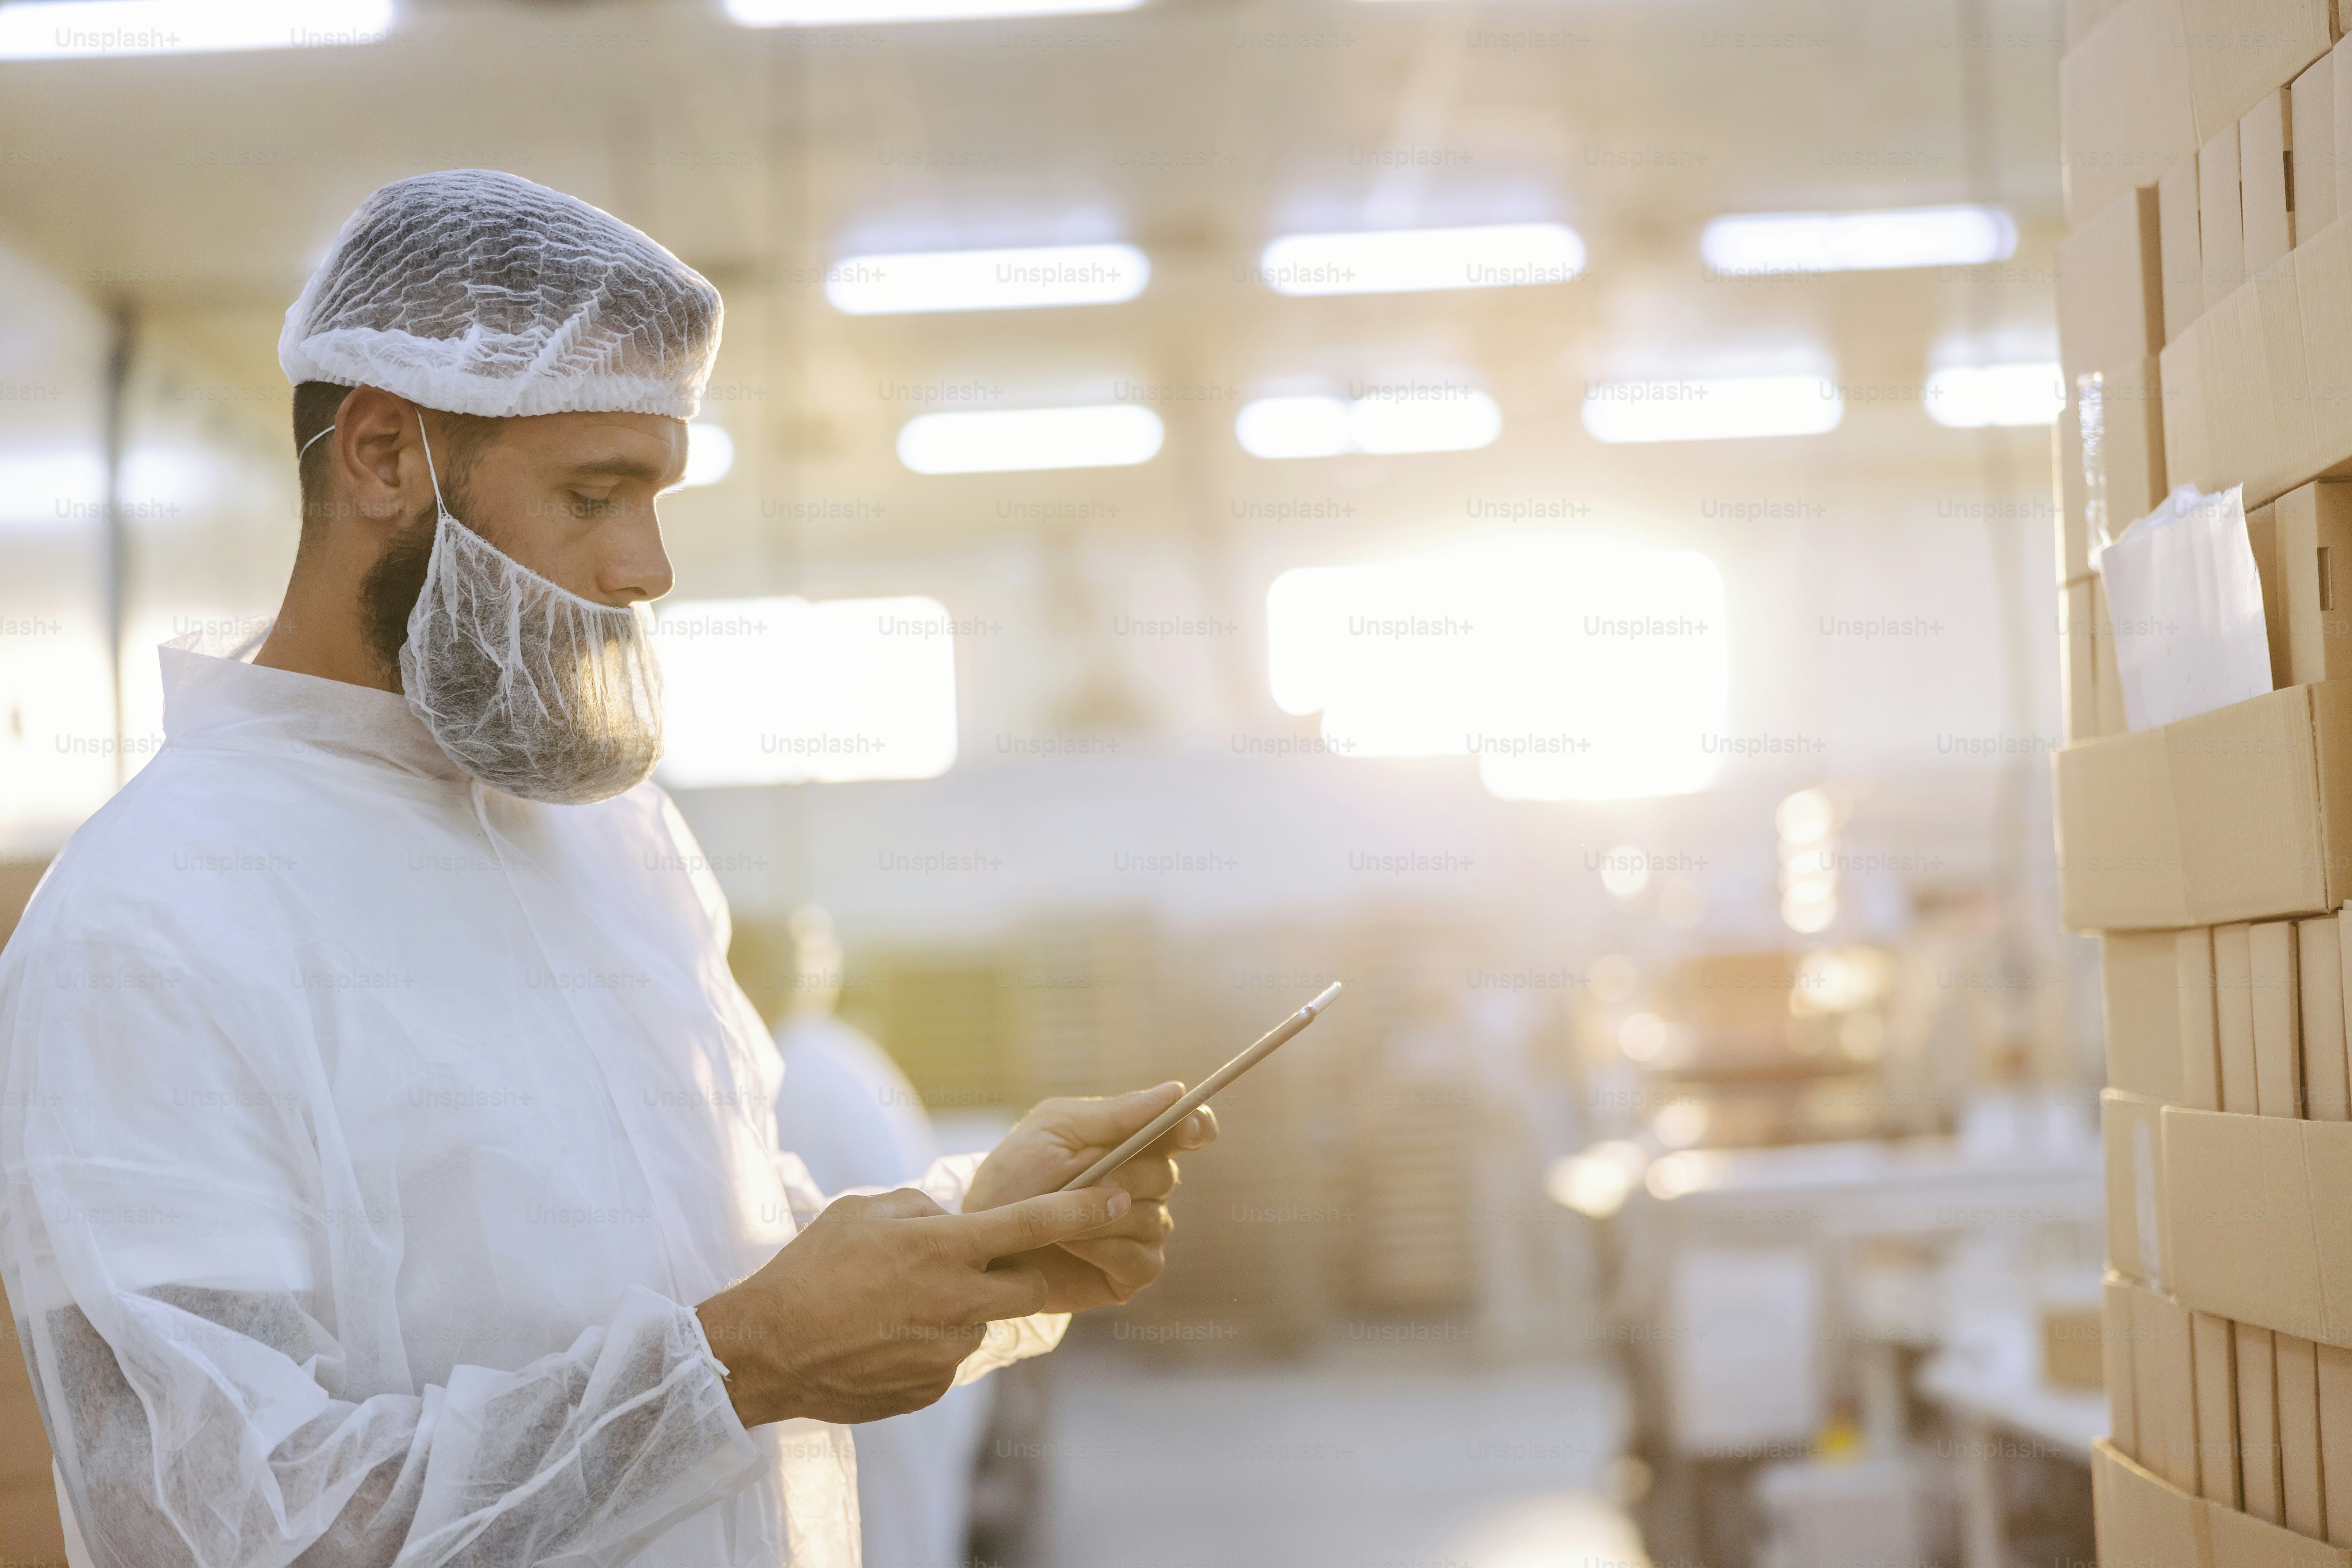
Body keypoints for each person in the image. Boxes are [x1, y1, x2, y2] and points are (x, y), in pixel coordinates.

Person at [0, 170, 1213, 1568]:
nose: (648, 567)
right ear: (385, 457)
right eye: (596, 492)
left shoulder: (613, 842)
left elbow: (731, 1255)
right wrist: (737, 1366)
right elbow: (222, 1530)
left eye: (658, 493)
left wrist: (975, 1234)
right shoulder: (153, 920)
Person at [768, 908, 994, 1568]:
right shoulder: (837, 1052)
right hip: (903, 1359)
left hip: (862, 1367)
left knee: (873, 1535)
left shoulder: (784, 1076)